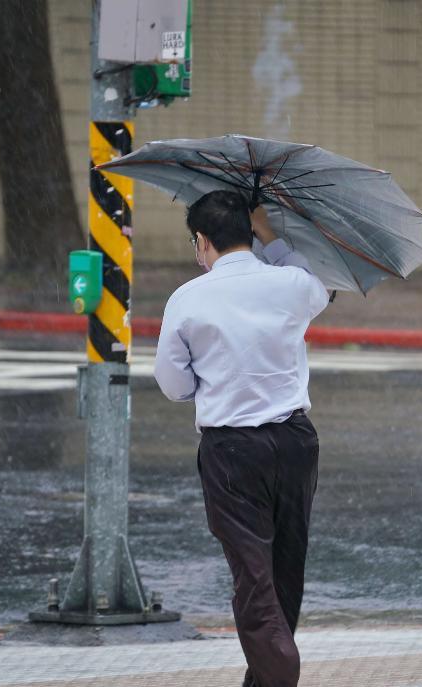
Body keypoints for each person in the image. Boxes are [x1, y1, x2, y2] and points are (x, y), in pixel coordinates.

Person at [154, 190, 329, 687]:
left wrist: (208, 381)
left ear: (202, 241)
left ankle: (279, 672)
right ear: (249, 232)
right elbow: (314, 284)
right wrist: (270, 234)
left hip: (231, 449)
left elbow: (173, 384)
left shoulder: (188, 298)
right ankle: (269, 673)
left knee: (253, 574)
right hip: (295, 442)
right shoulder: (293, 283)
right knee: (285, 565)